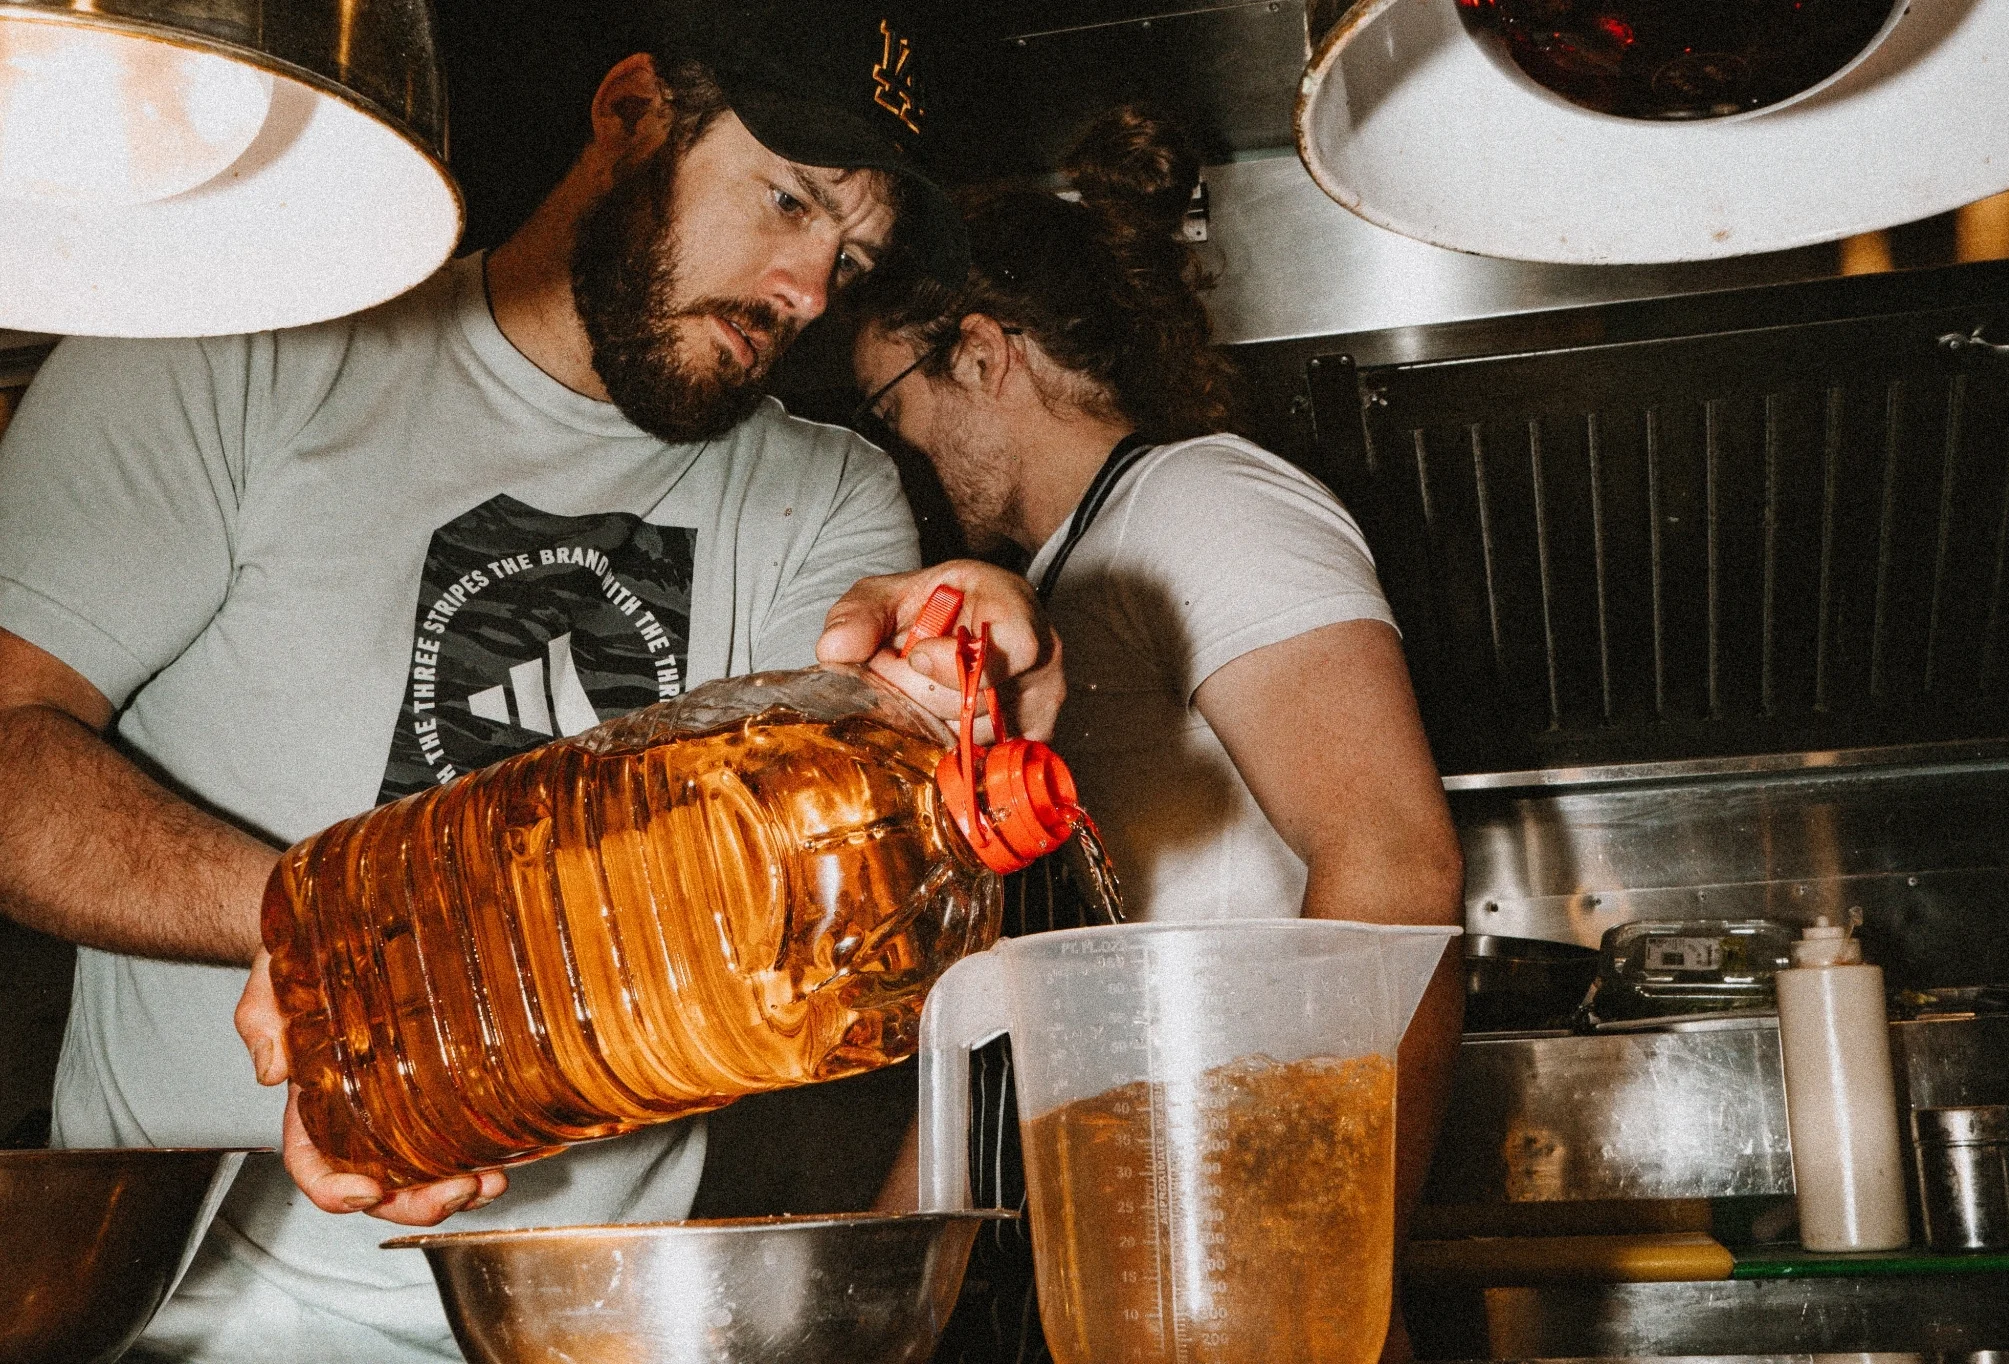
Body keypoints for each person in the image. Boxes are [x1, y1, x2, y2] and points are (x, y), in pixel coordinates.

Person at [0, 5, 1060, 1360]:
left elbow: (849, 766)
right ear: (631, 112)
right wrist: (309, 932)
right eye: (786, 200)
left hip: (587, 1328)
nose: (805, 288)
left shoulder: (823, 489)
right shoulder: (247, 347)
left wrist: (953, 689)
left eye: (849, 259)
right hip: (198, 1317)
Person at [848, 106, 1466, 1361]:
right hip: (1143, 1250)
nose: (896, 447)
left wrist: (1307, 1269)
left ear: (979, 354)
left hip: (1247, 1267)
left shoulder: (1207, 500)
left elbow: (1398, 863)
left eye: (887, 403)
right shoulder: (1064, 580)